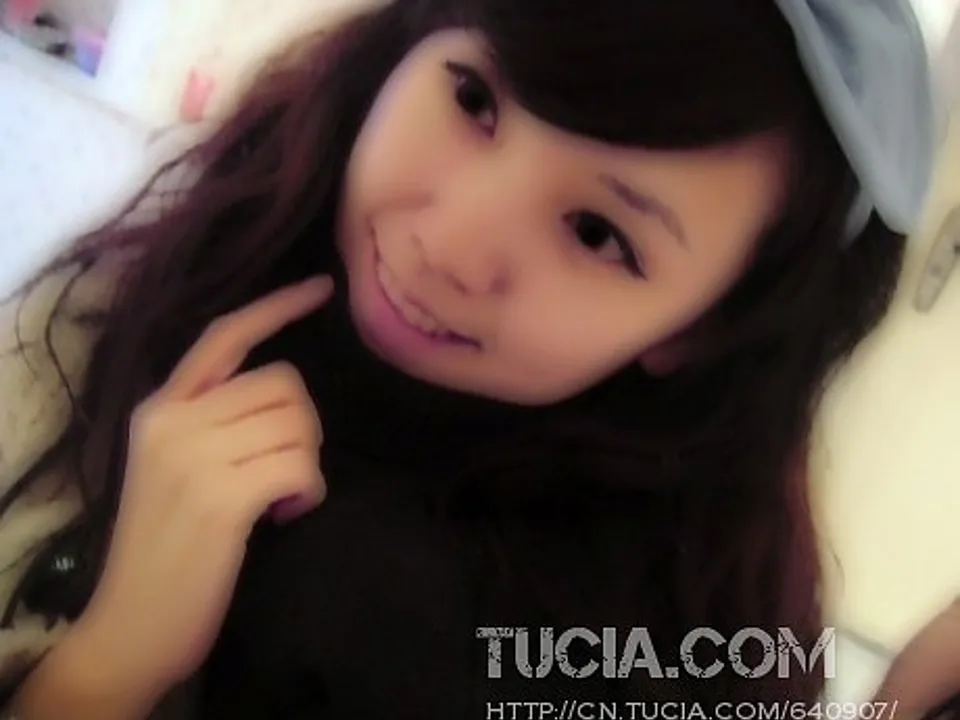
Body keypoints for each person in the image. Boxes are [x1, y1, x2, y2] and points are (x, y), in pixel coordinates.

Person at [0, 0, 941, 717]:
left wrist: (108, 670)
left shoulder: (561, 659)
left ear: (699, 330)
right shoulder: (206, 257)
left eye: (597, 233)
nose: (450, 246)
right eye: (473, 99)